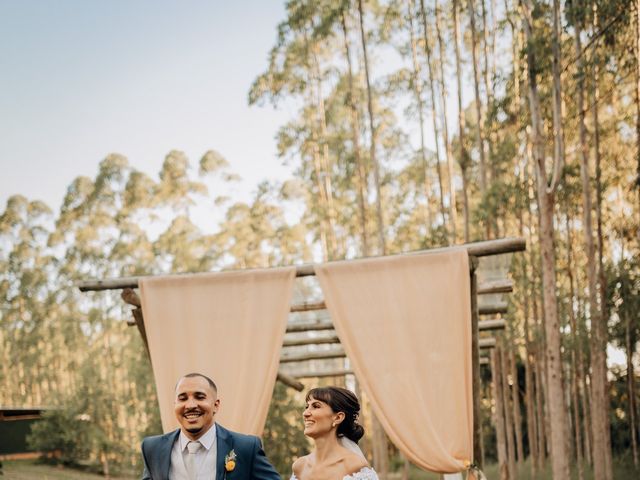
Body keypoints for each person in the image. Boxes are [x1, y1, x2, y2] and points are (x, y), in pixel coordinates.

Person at [141, 372, 281, 480]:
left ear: (216, 405)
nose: (190, 405)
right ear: (175, 405)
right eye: (182, 398)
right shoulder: (152, 448)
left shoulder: (246, 447)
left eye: (200, 397)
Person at [291, 386, 378, 480]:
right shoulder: (300, 466)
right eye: (307, 407)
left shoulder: (354, 466)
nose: (305, 413)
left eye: (316, 406)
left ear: (338, 418)